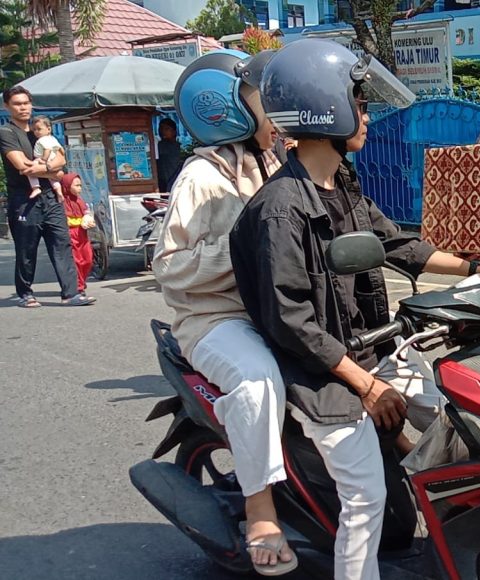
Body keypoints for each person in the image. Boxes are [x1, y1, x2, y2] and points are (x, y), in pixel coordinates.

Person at [230, 38, 480, 580]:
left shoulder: (341, 185)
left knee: (455, 423)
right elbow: (293, 322)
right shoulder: (282, 211)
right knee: (366, 497)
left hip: (370, 347)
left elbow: (398, 244)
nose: (368, 116)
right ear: (326, 106)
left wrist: (476, 268)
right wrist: (368, 388)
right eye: (361, 103)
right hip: (321, 373)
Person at [151, 49, 295, 576]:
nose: (277, 109)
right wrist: (243, 248)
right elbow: (168, 266)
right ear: (223, 106)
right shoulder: (200, 176)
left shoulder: (276, 162)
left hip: (276, 313)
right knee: (258, 382)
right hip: (216, 320)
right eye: (264, 98)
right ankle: (261, 511)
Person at [1, 85, 93, 308]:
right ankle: (25, 293)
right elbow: (22, 166)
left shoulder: (40, 132)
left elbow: (62, 161)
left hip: (52, 197)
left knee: (62, 244)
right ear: (7, 106)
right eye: (17, 104)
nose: (23, 107)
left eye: (26, 103)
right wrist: (54, 171)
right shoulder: (7, 133)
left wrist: (51, 170)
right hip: (24, 200)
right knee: (26, 249)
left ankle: (71, 293)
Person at [60, 172, 95, 296]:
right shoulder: (61, 201)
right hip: (70, 234)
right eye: (76, 185)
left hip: (82, 234)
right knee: (76, 261)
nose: (79, 188)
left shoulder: (79, 200)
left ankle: (81, 281)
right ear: (67, 186)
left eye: (80, 186)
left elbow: (86, 211)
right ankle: (79, 287)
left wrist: (88, 218)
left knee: (88, 260)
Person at [28, 116, 64, 200]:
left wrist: (43, 160)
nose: (36, 132)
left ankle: (35, 188)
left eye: (39, 129)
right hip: (54, 160)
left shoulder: (42, 140)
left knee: (30, 170)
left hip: (42, 159)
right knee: (53, 179)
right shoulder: (53, 138)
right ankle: (59, 191)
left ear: (48, 129)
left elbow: (47, 150)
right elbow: (61, 149)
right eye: (34, 130)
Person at [156, 117, 183, 192]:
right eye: (160, 129)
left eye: (166, 129)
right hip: (163, 182)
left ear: (174, 132)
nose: (162, 132)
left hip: (175, 180)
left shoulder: (177, 146)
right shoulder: (160, 145)